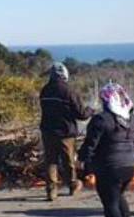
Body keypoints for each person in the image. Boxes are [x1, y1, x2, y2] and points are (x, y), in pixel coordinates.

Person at [79, 82, 134, 217]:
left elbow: (90, 145)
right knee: (118, 195)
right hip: (129, 165)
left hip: (109, 166)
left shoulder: (101, 119)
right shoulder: (133, 119)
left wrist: (83, 164)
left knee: (110, 201)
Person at [39, 62, 94, 202]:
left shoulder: (45, 90)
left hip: (48, 131)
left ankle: (51, 191)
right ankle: (72, 185)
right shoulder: (68, 91)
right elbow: (81, 114)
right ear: (64, 74)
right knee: (68, 161)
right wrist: (91, 110)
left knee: (51, 161)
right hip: (65, 133)